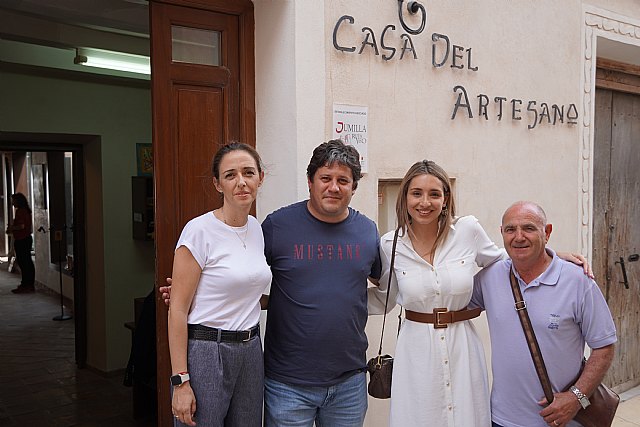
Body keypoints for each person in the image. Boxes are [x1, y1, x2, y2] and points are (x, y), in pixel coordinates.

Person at [367, 162, 592, 427]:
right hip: (415, 349)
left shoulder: (467, 231)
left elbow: (505, 260)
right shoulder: (390, 244)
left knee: (467, 416)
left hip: (462, 345)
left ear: (446, 198)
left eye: (434, 194)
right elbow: (386, 297)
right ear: (405, 197)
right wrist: (339, 297)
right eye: (416, 193)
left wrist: (552, 257)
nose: (424, 202)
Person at [261, 140, 381, 426]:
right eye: (325, 178)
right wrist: (194, 292)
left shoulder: (366, 231)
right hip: (287, 384)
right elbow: (242, 276)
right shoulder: (277, 227)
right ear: (310, 182)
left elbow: (389, 279)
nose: (334, 187)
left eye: (343, 180)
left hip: (349, 383)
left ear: (354, 187)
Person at [470, 201, 616, 427]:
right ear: (502, 234)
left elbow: (604, 346)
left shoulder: (577, 281)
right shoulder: (490, 277)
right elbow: (448, 301)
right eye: (510, 229)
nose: (518, 237)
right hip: (502, 420)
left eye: (528, 228)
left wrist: (576, 397)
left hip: (563, 421)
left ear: (546, 232)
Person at [168, 142, 272, 427]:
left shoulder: (257, 229)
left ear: (260, 177)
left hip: (251, 351)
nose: (241, 182)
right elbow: (177, 309)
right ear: (218, 184)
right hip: (207, 351)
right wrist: (180, 381)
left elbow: (247, 294)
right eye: (230, 175)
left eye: (248, 172)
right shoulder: (199, 231)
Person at [7, 193, 36, 294]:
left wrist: (12, 228)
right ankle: (28, 284)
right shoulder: (25, 210)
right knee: (26, 262)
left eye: (13, 200)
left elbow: (22, 226)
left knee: (24, 263)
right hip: (25, 239)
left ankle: (26, 285)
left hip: (22, 239)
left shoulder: (21, 211)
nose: (12, 202)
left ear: (18, 201)